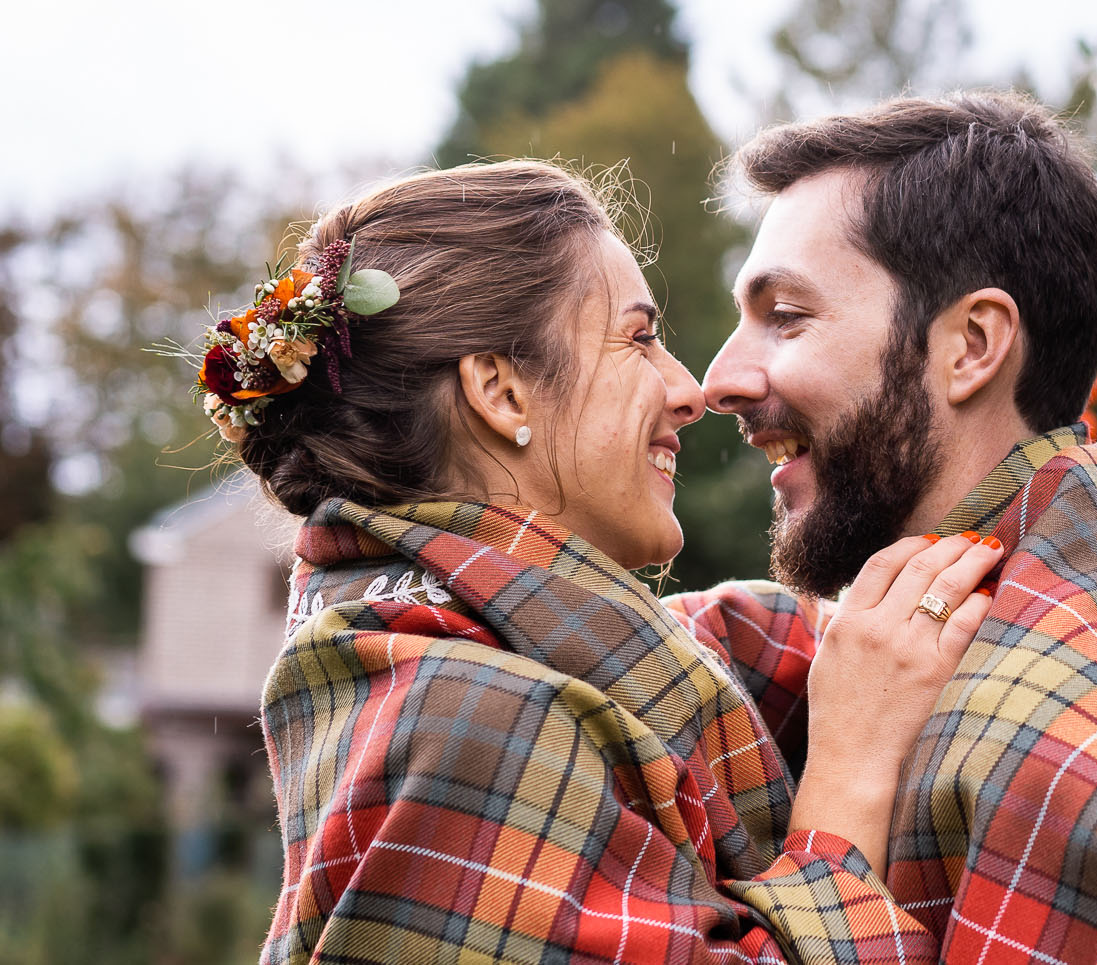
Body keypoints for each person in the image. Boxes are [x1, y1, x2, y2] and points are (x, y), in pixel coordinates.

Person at [230, 160, 1002, 962]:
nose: (689, 389)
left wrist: (1071, 565)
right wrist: (848, 780)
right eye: (638, 339)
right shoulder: (468, 719)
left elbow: (746, 641)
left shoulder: (484, 644)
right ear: (501, 392)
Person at [687, 92, 1097, 962]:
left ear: (971, 346)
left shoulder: (1061, 753)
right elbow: (675, 646)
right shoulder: (903, 644)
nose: (717, 378)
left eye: (786, 316)